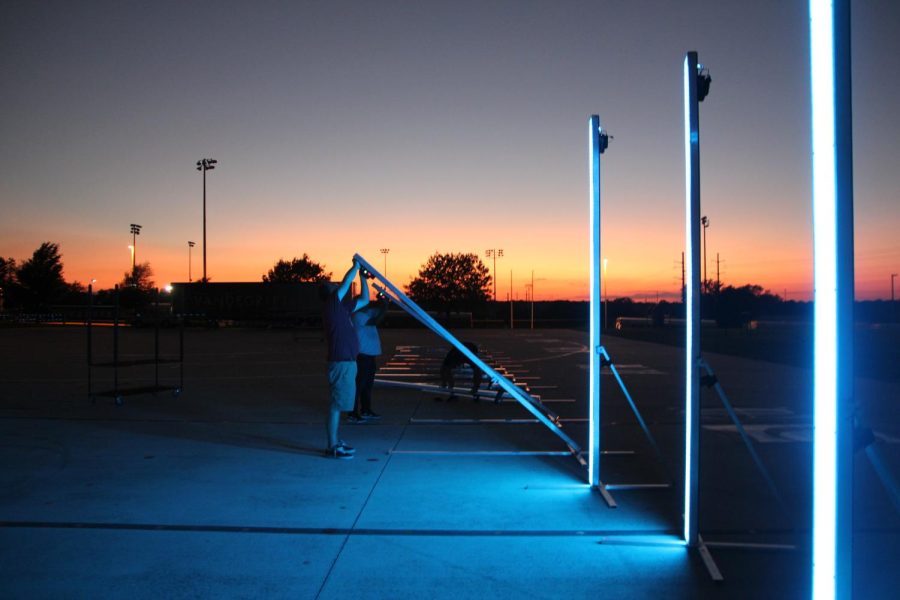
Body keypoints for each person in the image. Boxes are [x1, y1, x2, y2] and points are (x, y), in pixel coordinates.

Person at [319, 259, 369, 459]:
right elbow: (346, 283)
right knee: (336, 405)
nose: (334, 285)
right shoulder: (331, 305)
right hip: (341, 363)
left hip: (347, 363)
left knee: (339, 404)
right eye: (331, 285)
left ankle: (335, 441)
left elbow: (365, 299)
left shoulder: (342, 309)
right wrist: (356, 266)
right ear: (329, 293)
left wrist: (364, 277)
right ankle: (332, 446)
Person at [348, 297, 388, 423]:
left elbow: (377, 311)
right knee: (359, 385)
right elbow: (376, 320)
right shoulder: (358, 315)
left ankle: (365, 410)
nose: (368, 303)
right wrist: (384, 306)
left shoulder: (365, 313)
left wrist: (383, 302)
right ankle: (352, 413)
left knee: (367, 386)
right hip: (363, 356)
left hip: (369, 356)